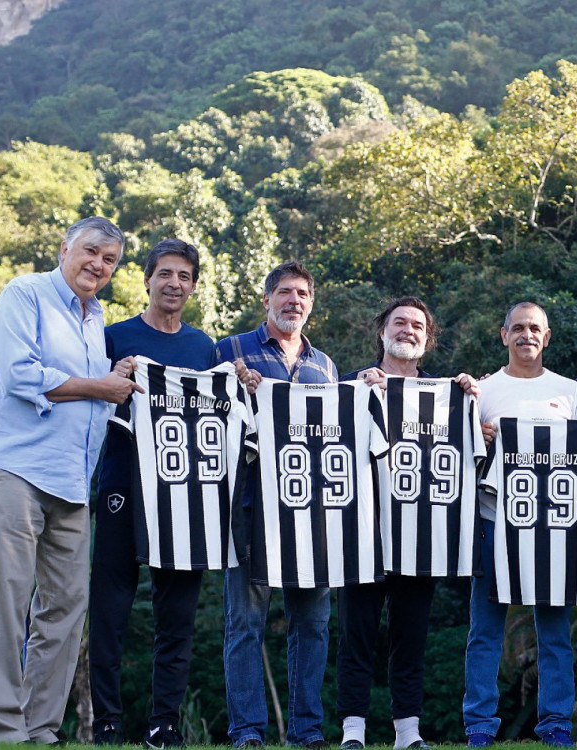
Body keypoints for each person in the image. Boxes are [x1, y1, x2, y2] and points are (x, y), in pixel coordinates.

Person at [0, 216, 139, 743]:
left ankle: (40, 726)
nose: (98, 265)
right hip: (16, 469)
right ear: (65, 247)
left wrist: (120, 373)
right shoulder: (25, 293)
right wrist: (102, 386)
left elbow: (100, 391)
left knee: (67, 606)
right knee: (8, 598)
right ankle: (4, 728)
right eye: (90, 251)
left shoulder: (97, 319)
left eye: (109, 260)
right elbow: (21, 373)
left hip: (72, 481)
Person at [88, 239, 216, 748]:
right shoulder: (113, 337)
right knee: (111, 611)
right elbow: (90, 399)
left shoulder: (203, 347)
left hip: (185, 497)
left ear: (192, 286)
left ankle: (164, 724)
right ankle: (107, 722)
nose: (174, 284)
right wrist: (110, 377)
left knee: (177, 617)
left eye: (184, 276)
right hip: (121, 485)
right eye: (165, 273)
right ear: (146, 279)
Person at [337, 296, 479, 750]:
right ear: (382, 331)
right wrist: (357, 388)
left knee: (411, 636)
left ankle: (407, 732)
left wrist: (469, 397)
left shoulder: (450, 395)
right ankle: (353, 730)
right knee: (356, 633)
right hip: (364, 531)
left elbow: (477, 446)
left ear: (428, 337)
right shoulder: (356, 384)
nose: (408, 330)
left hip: (423, 534)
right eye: (399, 322)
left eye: (418, 325)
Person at [218, 261, 338, 749]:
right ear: (266, 299)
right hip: (248, 506)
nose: (293, 300)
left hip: (314, 514)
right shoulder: (231, 349)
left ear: (311, 303)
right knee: (245, 624)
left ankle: (306, 732)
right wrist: (231, 384)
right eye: (284, 292)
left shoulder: (325, 366)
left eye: (302, 293)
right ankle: (248, 732)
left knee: (312, 625)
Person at [463, 302, 577, 748]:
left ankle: (555, 724)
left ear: (547, 337)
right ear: (503, 335)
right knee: (485, 631)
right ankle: (479, 726)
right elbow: (462, 459)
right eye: (517, 328)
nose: (526, 335)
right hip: (493, 522)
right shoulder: (482, 390)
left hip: (554, 527)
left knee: (554, 632)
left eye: (534, 328)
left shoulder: (572, 391)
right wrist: (479, 433)